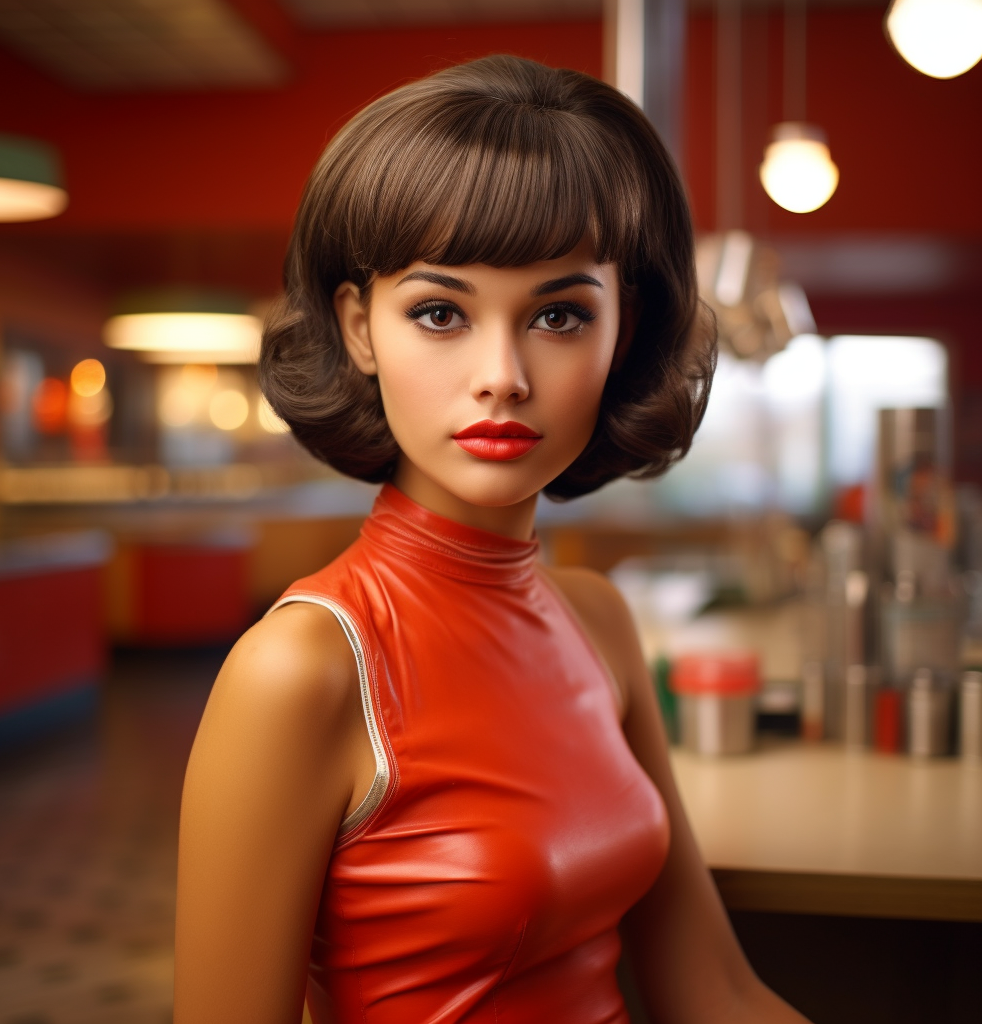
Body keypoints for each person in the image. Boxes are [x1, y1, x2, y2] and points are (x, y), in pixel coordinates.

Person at [174, 55, 809, 1024]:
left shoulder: (598, 622)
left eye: (559, 314)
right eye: (439, 312)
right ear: (358, 329)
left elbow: (712, 991)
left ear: (620, 329)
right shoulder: (301, 668)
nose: (502, 375)